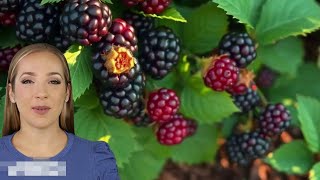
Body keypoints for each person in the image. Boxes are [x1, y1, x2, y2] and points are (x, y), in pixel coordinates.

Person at [0, 43, 119, 179]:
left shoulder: (97, 159)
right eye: (27, 81)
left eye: (53, 82)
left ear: (67, 92)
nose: (41, 93)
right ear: (11, 92)